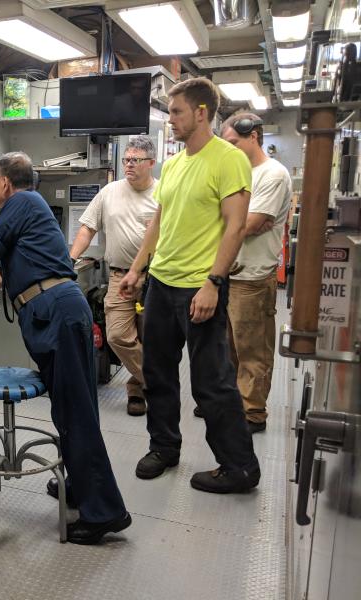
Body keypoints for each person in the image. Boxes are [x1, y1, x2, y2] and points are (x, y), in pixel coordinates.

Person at [0, 152, 131, 545]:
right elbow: (2, 275)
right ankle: (81, 488)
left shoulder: (21, 202)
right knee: (71, 407)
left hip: (55, 313)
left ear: (5, 182)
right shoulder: (30, 210)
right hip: (58, 312)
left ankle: (104, 512)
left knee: (76, 412)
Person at [119, 77, 261, 494]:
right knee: (157, 373)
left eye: (177, 112)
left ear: (202, 112)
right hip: (161, 285)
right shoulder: (176, 163)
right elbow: (160, 222)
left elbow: (235, 227)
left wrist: (213, 283)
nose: (171, 120)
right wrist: (137, 268)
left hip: (200, 287)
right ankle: (164, 446)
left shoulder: (227, 160)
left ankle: (239, 467)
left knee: (211, 382)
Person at [70, 135, 158, 417]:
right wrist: (69, 259)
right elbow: (87, 228)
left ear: (151, 163)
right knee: (119, 335)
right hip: (120, 277)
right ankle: (157, 382)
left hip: (155, 277)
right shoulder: (110, 192)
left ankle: (137, 392)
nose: (129, 165)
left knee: (150, 338)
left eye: (135, 160)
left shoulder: (163, 194)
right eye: (126, 160)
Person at [220, 113, 292, 434]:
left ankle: (253, 413)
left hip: (251, 277)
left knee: (252, 349)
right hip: (225, 273)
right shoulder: (234, 173)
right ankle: (232, 402)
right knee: (227, 347)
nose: (228, 149)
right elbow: (229, 220)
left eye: (233, 143)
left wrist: (241, 223)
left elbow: (248, 224)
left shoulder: (272, 175)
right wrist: (240, 223)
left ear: (255, 137)